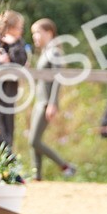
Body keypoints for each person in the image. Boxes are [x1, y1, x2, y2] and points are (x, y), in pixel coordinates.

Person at [27, 18, 76, 180]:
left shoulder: (54, 52)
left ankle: (65, 166)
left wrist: (53, 103)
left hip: (46, 102)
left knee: (34, 141)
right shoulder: (44, 52)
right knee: (33, 140)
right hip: (39, 101)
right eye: (33, 34)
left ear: (49, 33)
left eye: (37, 33)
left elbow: (58, 78)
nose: (35, 37)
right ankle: (37, 175)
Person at [0, 10, 28, 153]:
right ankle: (6, 163)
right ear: (10, 27)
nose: (21, 31)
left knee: (8, 128)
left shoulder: (17, 43)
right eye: (19, 27)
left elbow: (20, 63)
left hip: (10, 92)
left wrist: (14, 45)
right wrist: (2, 64)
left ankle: (8, 167)